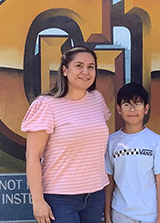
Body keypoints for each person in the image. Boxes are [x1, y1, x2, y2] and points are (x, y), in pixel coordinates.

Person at [22, 46, 111, 223]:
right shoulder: (46, 105)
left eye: (91, 66)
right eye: (79, 65)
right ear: (65, 70)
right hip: (60, 198)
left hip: (95, 194)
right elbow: (33, 156)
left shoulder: (97, 99)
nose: (85, 72)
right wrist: (38, 202)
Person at [104, 83, 160, 223]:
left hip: (151, 215)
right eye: (126, 105)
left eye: (138, 104)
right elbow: (109, 182)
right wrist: (107, 216)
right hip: (121, 214)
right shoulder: (111, 141)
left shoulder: (156, 141)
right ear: (118, 109)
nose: (132, 109)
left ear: (146, 108)